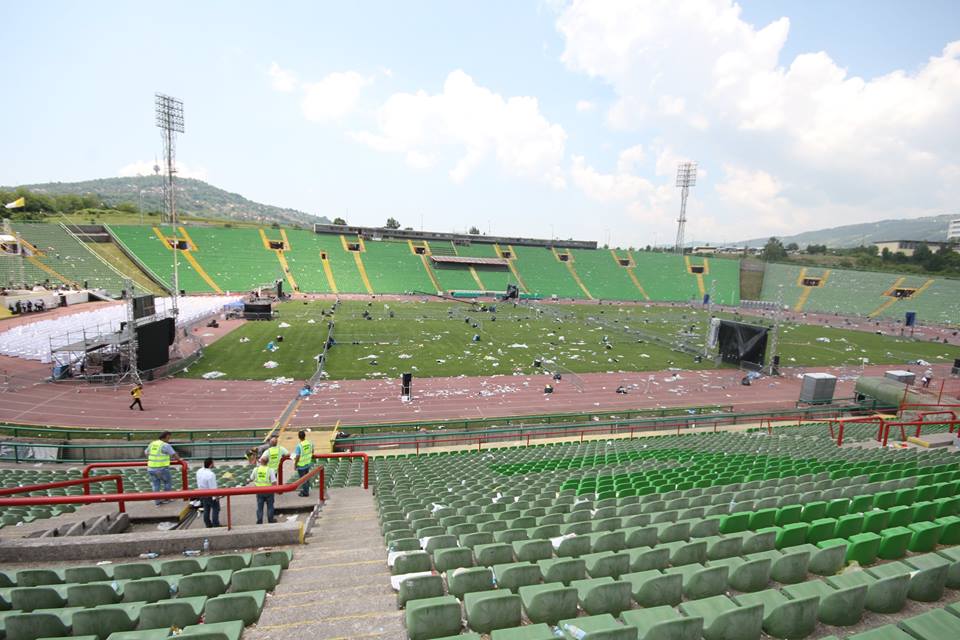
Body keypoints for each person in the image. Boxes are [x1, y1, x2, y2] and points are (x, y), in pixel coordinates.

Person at [145, 431, 183, 505]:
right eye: (169, 437)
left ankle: (157, 502)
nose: (169, 439)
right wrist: (180, 459)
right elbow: (174, 454)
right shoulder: (165, 445)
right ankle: (167, 498)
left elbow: (146, 452)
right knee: (167, 482)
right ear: (166, 437)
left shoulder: (152, 443)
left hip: (151, 468)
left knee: (156, 485)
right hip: (161, 468)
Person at [250, 454, 278, 524]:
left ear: (261, 462)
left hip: (259, 491)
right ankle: (270, 519)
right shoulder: (270, 470)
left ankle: (259, 520)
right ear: (267, 462)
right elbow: (274, 482)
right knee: (270, 506)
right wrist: (276, 490)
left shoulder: (256, 469)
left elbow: (251, 478)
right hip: (269, 491)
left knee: (260, 507)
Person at [196, 457, 221, 528]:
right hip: (210, 495)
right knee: (216, 509)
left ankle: (208, 524)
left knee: (206, 509)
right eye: (213, 463)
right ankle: (216, 524)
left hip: (202, 493)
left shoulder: (199, 471)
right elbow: (213, 487)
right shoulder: (211, 474)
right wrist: (216, 497)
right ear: (210, 465)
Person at [293, 430, 314, 497]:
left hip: (301, 465)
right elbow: (312, 451)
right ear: (305, 436)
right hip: (308, 463)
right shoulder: (310, 443)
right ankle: (306, 490)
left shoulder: (299, 446)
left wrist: (295, 464)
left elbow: (297, 456)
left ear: (299, 437)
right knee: (307, 478)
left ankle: (305, 492)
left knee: (303, 479)